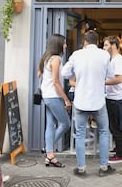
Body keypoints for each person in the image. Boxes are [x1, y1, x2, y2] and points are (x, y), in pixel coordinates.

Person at [61, 30, 116, 177]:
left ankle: (81, 169)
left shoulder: (77, 55)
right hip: (98, 100)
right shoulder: (104, 55)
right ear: (97, 42)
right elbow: (111, 75)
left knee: (80, 134)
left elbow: (64, 73)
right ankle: (104, 167)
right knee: (104, 132)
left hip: (80, 100)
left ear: (85, 42)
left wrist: (78, 74)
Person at [38, 34, 71, 168]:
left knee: (50, 125)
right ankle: (48, 149)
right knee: (65, 123)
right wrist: (66, 99)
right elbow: (56, 82)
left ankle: (49, 155)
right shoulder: (56, 59)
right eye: (64, 43)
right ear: (58, 44)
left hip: (47, 95)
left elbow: (38, 74)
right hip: (53, 96)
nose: (66, 45)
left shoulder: (46, 58)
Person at [103, 35, 122, 164]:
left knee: (117, 128)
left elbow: (119, 78)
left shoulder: (118, 59)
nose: (104, 47)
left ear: (114, 45)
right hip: (111, 97)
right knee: (113, 127)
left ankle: (120, 155)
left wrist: (102, 82)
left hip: (117, 98)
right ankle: (118, 148)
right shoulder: (111, 59)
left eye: (106, 45)